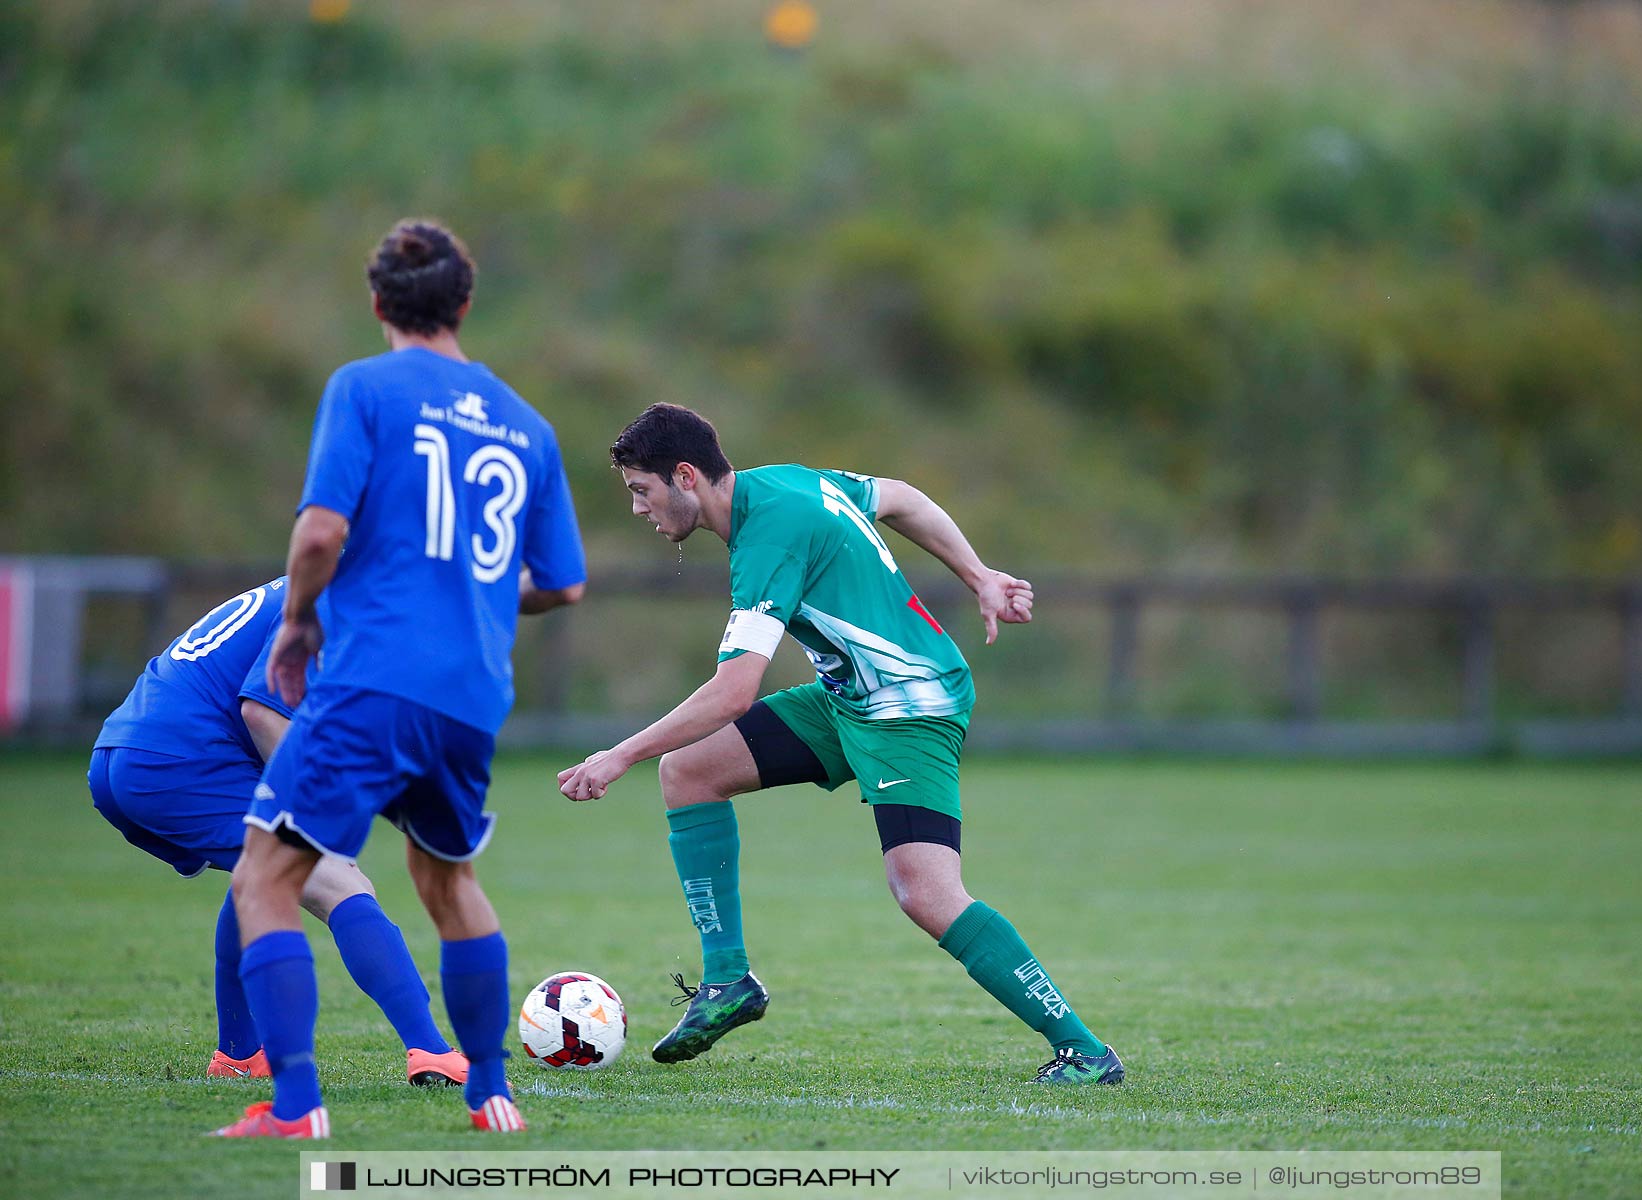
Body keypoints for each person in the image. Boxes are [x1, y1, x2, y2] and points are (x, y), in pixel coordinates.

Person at [558, 403, 1122, 1085]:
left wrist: (618, 753)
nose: (639, 509)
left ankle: (1085, 1050)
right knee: (688, 774)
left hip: (910, 706)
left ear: (685, 476)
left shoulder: (769, 537)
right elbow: (902, 498)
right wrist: (978, 575)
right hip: (850, 696)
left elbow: (733, 691)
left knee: (926, 893)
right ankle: (728, 982)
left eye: (642, 492)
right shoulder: (786, 482)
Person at [213, 220, 587, 1138]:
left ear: (378, 304)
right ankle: (491, 1092)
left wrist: (298, 622)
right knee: (448, 880)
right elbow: (565, 583)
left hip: (373, 679)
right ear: (465, 305)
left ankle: (296, 1106)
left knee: (264, 878)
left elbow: (318, 533)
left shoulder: (364, 389)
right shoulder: (525, 424)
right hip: (469, 697)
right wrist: (482, 597)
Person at [89, 578, 470, 1086]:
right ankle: (431, 1051)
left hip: (130, 755)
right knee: (337, 879)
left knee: (263, 876)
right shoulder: (347, 595)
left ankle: (241, 1055)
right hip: (182, 760)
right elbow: (263, 713)